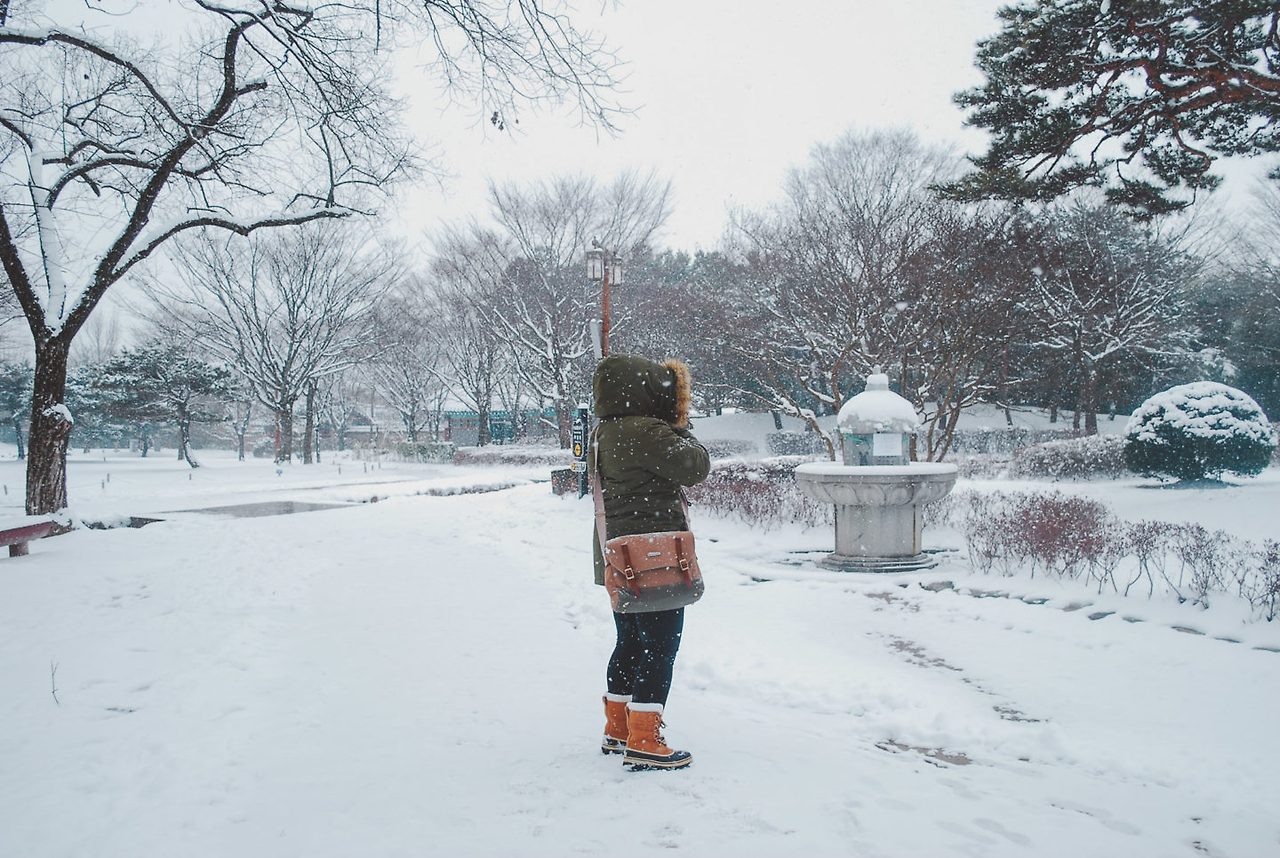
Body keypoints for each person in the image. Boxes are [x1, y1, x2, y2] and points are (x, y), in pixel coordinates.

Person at [589, 353, 710, 771]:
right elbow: (695, 467)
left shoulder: (604, 430)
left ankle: (618, 728)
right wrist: (684, 433)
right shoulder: (647, 431)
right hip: (652, 555)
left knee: (630, 641)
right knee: (660, 645)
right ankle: (645, 739)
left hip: (617, 554)